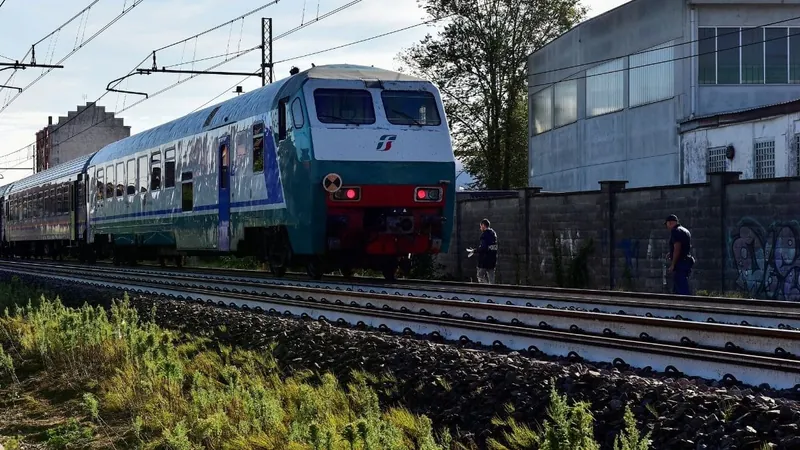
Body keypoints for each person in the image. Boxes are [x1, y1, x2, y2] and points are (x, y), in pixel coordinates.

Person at [665, 214, 694, 295]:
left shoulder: (675, 231)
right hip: (687, 261)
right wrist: (670, 253)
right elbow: (684, 246)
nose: (667, 227)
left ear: (670, 223)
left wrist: (673, 264)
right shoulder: (685, 230)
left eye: (667, 224)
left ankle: (687, 305)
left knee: (682, 289)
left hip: (680, 262)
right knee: (677, 288)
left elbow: (677, 248)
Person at [475, 218, 498, 284]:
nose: (480, 228)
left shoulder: (484, 235)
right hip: (493, 259)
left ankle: (486, 288)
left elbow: (483, 248)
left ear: (483, 225)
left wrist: (475, 250)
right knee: (491, 277)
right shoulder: (494, 234)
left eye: (480, 226)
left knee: (480, 275)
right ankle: (492, 289)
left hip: (484, 260)